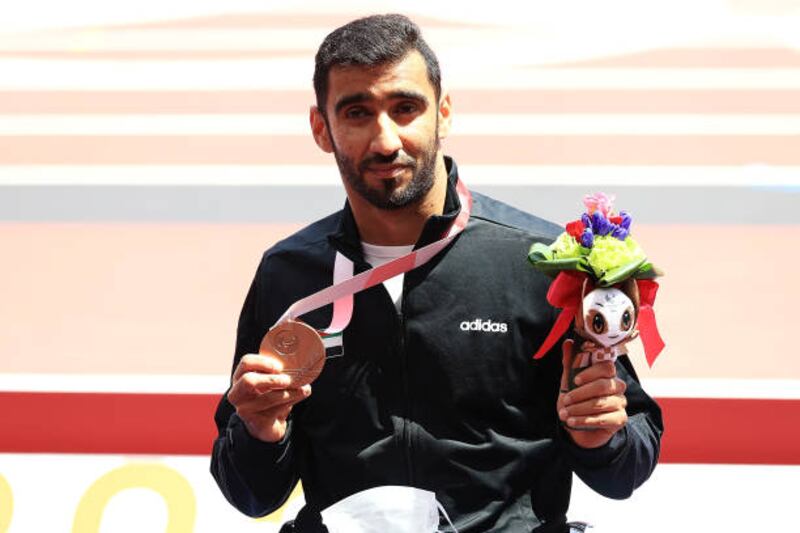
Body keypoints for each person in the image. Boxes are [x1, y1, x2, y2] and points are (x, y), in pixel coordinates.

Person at [211, 14, 663, 533]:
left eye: (405, 109)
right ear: (321, 128)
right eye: (357, 112)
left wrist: (602, 438)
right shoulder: (290, 275)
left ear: (443, 113)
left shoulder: (537, 262)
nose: (385, 141)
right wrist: (259, 431)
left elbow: (626, 469)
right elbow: (251, 496)